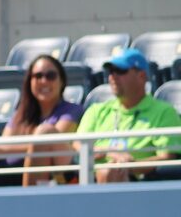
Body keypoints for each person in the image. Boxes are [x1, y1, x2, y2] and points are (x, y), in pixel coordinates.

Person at [0, 55, 84, 188]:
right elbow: (3, 145)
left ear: (62, 81)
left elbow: (50, 145)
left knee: (45, 133)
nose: (44, 81)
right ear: (29, 82)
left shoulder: (71, 111)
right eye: (38, 76)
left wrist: (3, 150)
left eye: (50, 76)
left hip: (45, 181)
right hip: (1, 175)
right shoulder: (21, 115)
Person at [75, 48, 181, 183]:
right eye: (110, 71)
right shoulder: (96, 110)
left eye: (120, 71)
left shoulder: (164, 112)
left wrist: (131, 166)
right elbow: (78, 144)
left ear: (142, 76)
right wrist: (108, 151)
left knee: (109, 172)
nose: (113, 76)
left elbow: (167, 158)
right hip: (89, 180)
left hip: (139, 185)